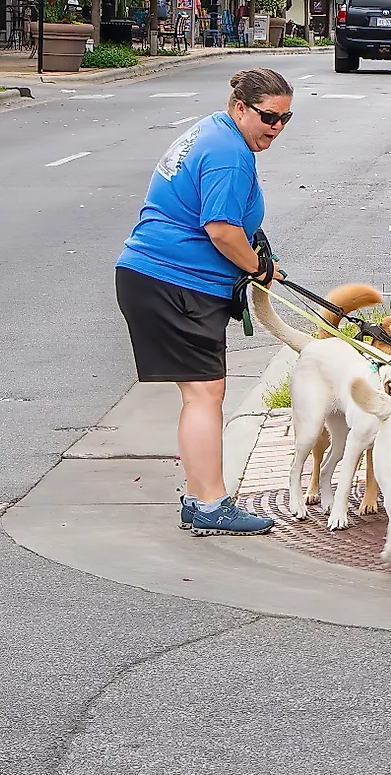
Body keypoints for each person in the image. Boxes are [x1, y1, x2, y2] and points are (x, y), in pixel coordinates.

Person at [113, 68, 297, 536]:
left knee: (200, 393)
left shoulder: (214, 130)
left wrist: (255, 259)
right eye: (269, 117)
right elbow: (221, 229)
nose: (276, 128)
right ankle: (211, 503)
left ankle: (200, 496)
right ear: (241, 108)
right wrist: (257, 266)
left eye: (285, 119)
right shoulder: (230, 155)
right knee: (205, 393)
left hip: (156, 278)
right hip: (175, 283)